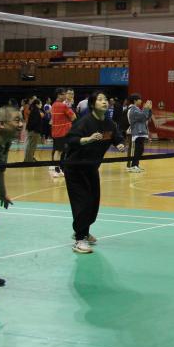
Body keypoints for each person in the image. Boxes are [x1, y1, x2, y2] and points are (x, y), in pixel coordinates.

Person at [62, 92, 126, 254]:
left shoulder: (109, 123)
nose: (104, 102)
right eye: (100, 99)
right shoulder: (84, 122)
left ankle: (83, 231)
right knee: (82, 203)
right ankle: (80, 239)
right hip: (75, 169)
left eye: (105, 99)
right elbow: (70, 140)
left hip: (91, 168)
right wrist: (87, 139)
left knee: (93, 203)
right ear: (92, 104)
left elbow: (116, 137)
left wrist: (119, 144)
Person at [0, 106, 22, 299]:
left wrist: (2, 194)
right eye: (17, 120)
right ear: (1, 124)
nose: (21, 124)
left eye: (21, 120)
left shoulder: (5, 141)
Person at [50, 88, 76, 178]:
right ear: (59, 95)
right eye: (64, 94)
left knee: (59, 151)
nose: (66, 96)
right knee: (58, 152)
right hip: (62, 132)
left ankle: (58, 170)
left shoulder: (53, 105)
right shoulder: (63, 106)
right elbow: (73, 117)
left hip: (56, 131)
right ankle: (55, 170)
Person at [126, 94, 152, 173]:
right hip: (135, 132)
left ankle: (136, 165)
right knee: (135, 150)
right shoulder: (133, 109)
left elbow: (146, 117)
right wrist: (146, 108)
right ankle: (132, 166)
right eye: (139, 99)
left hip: (140, 132)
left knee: (140, 150)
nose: (141, 101)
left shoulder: (137, 109)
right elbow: (143, 116)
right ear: (135, 101)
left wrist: (149, 109)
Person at [23, 97, 44, 163]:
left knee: (31, 146)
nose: (41, 105)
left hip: (33, 131)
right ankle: (28, 160)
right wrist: (34, 130)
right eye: (40, 103)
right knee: (31, 146)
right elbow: (34, 122)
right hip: (34, 131)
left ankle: (30, 158)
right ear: (37, 104)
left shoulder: (35, 110)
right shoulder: (35, 111)